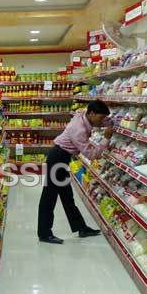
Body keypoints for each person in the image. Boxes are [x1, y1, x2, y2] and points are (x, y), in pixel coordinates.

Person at [37, 100, 113, 244]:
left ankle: (81, 227)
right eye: (101, 118)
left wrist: (108, 121)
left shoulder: (83, 115)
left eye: (104, 118)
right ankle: (44, 233)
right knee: (49, 197)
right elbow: (92, 155)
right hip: (57, 159)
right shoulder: (79, 129)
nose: (102, 121)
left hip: (62, 158)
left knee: (67, 196)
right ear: (91, 113)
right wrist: (106, 138)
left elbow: (100, 120)